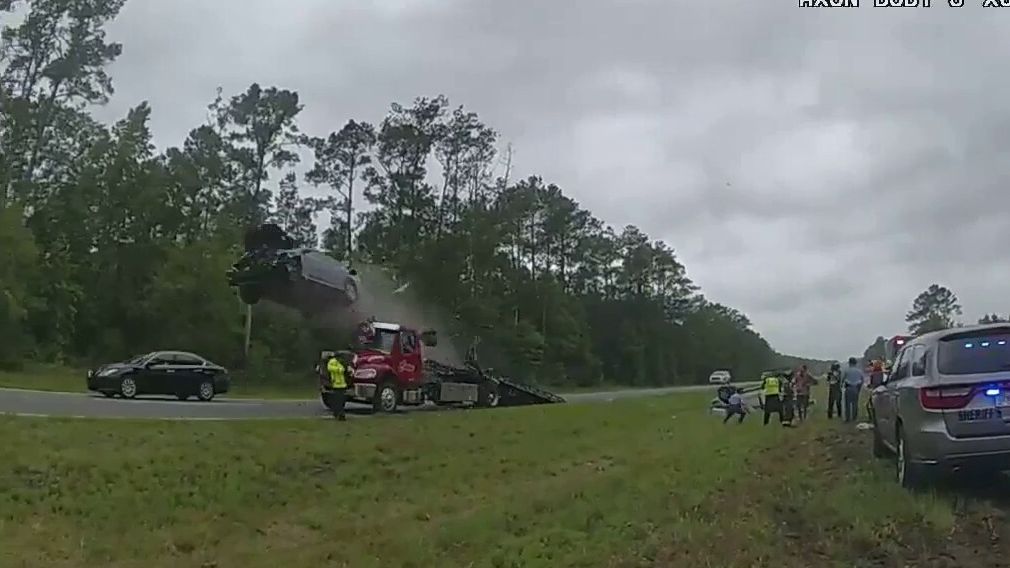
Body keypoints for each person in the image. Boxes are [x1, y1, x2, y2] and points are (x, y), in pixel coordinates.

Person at [326, 352, 348, 421]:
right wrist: (339, 369)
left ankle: (338, 413)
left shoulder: (341, 362)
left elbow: (344, 369)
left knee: (341, 401)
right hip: (336, 384)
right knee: (338, 400)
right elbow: (330, 368)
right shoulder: (333, 362)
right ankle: (340, 414)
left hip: (342, 384)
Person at [842, 356, 865, 423]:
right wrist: (859, 388)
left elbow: (843, 379)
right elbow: (862, 380)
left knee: (848, 404)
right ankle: (854, 417)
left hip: (848, 388)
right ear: (855, 363)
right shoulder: (859, 371)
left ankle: (848, 418)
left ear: (849, 363)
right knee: (855, 403)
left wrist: (842, 386)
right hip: (856, 388)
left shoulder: (846, 370)